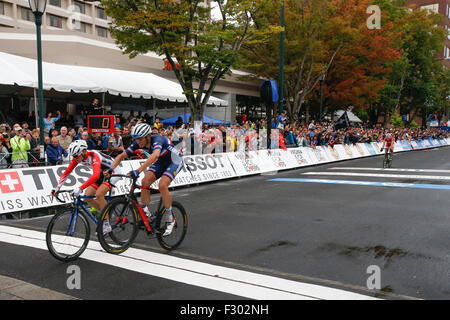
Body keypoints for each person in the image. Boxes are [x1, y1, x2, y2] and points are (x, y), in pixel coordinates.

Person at [106, 123, 184, 236]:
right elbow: (121, 156)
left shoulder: (158, 138)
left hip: (175, 160)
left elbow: (155, 156)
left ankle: (170, 218)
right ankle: (146, 214)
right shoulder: (138, 143)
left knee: (162, 185)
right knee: (144, 181)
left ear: (148, 136)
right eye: (136, 139)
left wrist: (138, 170)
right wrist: (110, 170)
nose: (138, 142)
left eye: (140, 138)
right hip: (162, 162)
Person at [51, 140, 123, 233]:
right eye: (73, 156)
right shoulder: (78, 157)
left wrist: (80, 188)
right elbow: (66, 172)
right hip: (102, 173)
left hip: (113, 171)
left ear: (84, 151)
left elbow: (95, 175)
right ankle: (106, 212)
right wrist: (57, 188)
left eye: (76, 156)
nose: (75, 158)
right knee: (87, 197)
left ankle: (106, 223)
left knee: (99, 194)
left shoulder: (94, 156)